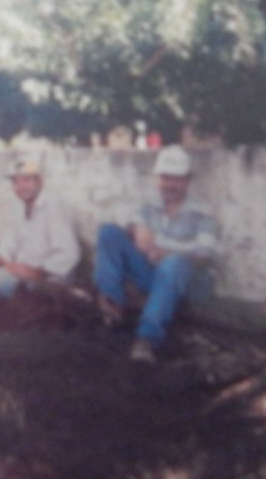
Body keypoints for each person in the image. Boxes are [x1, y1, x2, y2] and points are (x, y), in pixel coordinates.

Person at [94, 145, 220, 364]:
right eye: (165, 178)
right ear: (157, 179)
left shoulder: (202, 212)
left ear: (188, 180)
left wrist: (167, 253)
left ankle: (146, 337)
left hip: (190, 282)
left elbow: (205, 255)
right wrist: (134, 230)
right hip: (157, 276)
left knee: (174, 263)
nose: (170, 184)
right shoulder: (148, 207)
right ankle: (112, 306)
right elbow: (136, 236)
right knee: (108, 232)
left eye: (177, 179)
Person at [0, 159, 80, 330]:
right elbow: (7, 248)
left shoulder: (53, 205)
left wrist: (36, 271)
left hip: (46, 278)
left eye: (26, 180)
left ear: (39, 181)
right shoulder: (19, 207)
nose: (21, 186)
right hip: (20, 272)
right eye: (16, 181)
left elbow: (69, 253)